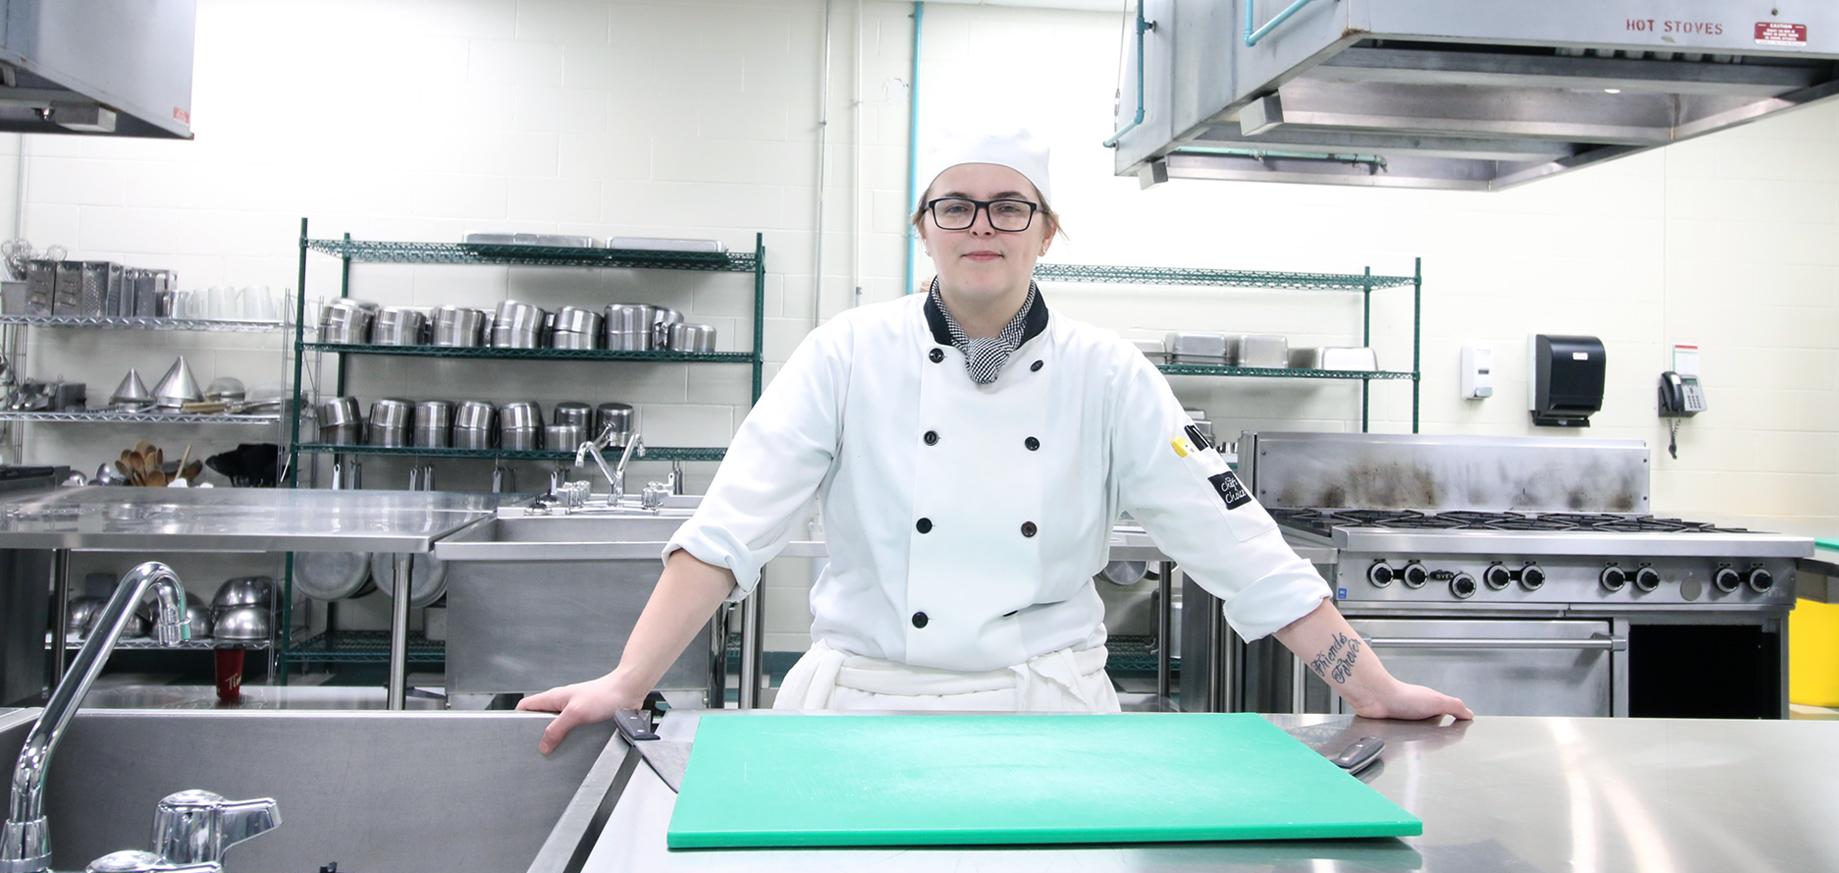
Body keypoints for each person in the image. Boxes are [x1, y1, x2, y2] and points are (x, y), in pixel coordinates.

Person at [519, 129, 1472, 753]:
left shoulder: (1110, 374)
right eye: (956, 206)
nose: (983, 226)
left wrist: (1372, 683)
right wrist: (625, 679)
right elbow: (729, 531)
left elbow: (1242, 548)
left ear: (1046, 231)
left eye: (1010, 206)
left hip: (1048, 713)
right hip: (859, 714)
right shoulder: (844, 355)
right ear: (923, 229)